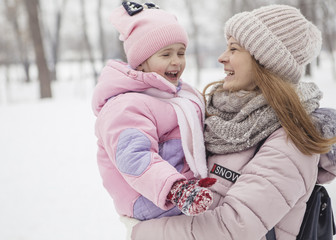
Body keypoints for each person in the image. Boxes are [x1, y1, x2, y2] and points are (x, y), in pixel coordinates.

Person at [130, 4, 336, 240]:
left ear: (265, 62)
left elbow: (233, 228)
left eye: (234, 49)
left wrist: (139, 232)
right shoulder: (216, 116)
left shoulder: (290, 141)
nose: (222, 57)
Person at [91, 1, 216, 223]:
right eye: (166, 55)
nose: (176, 61)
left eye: (181, 52)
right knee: (223, 214)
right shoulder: (126, 105)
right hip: (147, 195)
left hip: (178, 185)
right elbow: (134, 157)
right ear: (141, 63)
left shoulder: (178, 95)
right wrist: (177, 189)